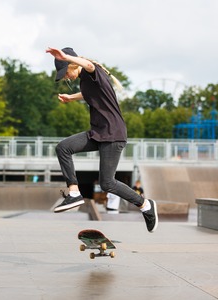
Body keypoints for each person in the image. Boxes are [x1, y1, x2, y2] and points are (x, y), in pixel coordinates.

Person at [45, 46, 158, 233]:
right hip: (98, 132)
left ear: (74, 64)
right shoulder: (86, 81)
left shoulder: (93, 71)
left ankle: (145, 205)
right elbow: (90, 94)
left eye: (66, 73)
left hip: (113, 134)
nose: (66, 77)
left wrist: (65, 56)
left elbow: (88, 64)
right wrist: (71, 98)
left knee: (107, 183)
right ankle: (74, 193)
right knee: (63, 148)